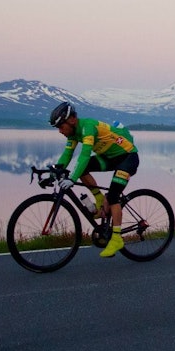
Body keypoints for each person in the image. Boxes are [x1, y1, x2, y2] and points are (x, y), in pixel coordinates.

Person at [50, 101, 139, 258]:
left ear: (71, 120)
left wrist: (72, 178)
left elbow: (84, 155)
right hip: (109, 158)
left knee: (113, 197)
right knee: (83, 169)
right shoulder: (73, 133)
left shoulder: (87, 127)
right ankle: (99, 199)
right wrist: (54, 172)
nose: (59, 131)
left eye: (60, 126)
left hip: (127, 157)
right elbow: (67, 154)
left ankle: (117, 238)